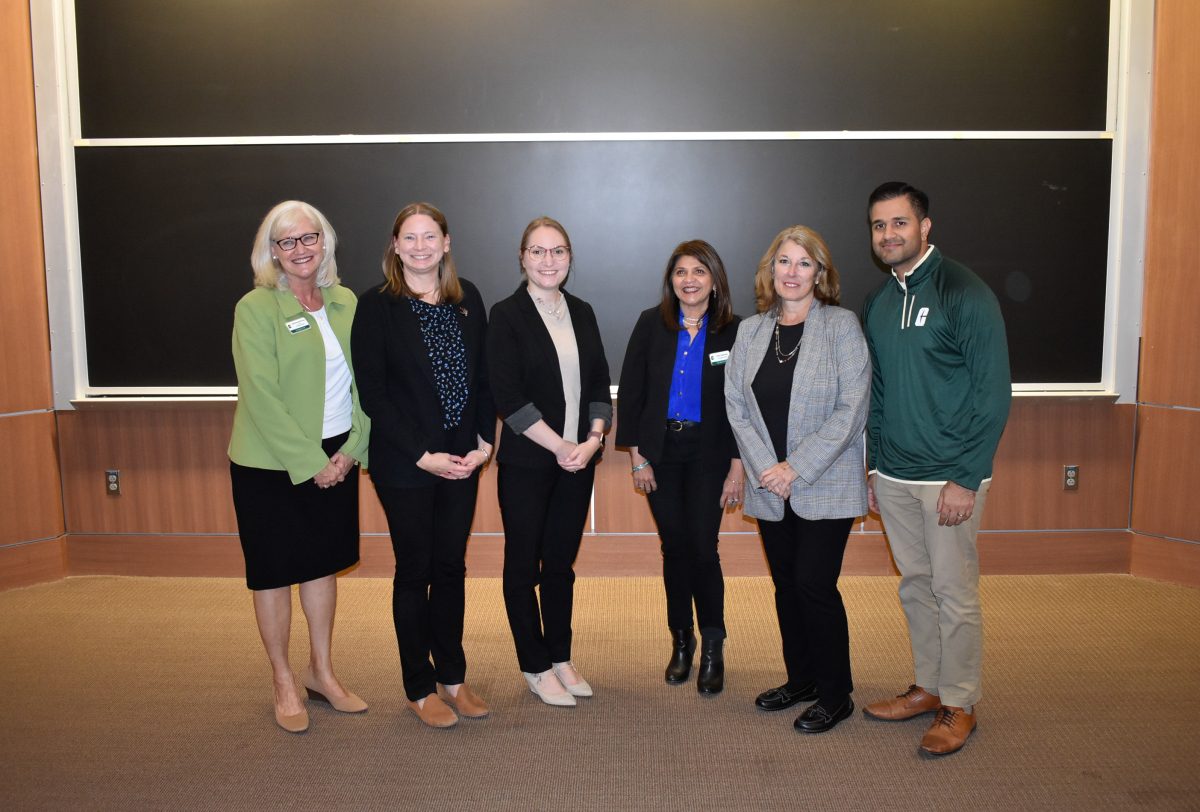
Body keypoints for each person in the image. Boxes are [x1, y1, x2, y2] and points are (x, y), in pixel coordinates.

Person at [861, 182, 1011, 756]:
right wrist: (875, 469)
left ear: (925, 227)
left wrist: (966, 477)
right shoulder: (879, 301)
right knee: (916, 588)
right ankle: (927, 687)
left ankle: (961, 701)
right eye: (879, 226)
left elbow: (993, 393)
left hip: (949, 477)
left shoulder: (964, 293)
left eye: (899, 223)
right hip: (895, 475)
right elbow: (879, 392)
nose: (888, 235)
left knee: (954, 592)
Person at [228, 200, 370, 734]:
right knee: (274, 571)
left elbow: (367, 381)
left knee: (322, 564)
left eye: (309, 238)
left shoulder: (346, 301)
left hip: (337, 452)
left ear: (325, 242)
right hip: (272, 462)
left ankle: (322, 672)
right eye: (287, 242)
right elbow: (260, 397)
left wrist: (353, 449)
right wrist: (312, 463)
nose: (301, 249)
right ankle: (283, 678)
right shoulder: (255, 308)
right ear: (272, 251)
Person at [350, 203, 494, 729]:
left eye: (429, 236)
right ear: (394, 246)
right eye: (408, 238)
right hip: (407, 464)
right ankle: (418, 685)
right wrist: (421, 455)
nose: (419, 246)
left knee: (451, 567)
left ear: (446, 242)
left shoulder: (468, 298)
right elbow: (375, 396)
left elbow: (483, 379)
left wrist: (485, 443)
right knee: (414, 572)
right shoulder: (377, 307)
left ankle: (452, 676)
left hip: (463, 458)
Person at [725, 225, 870, 734]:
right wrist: (770, 469)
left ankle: (836, 693)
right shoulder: (752, 331)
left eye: (803, 263)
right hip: (771, 485)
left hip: (823, 481)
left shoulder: (842, 326)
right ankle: (802, 679)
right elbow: (736, 405)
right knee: (786, 585)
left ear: (820, 273)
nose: (791, 272)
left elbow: (852, 409)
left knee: (814, 584)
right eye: (783, 262)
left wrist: (795, 468)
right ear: (770, 271)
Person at [487, 216, 612, 707]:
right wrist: (561, 446)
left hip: (579, 460)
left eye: (557, 251)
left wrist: (594, 439)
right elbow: (509, 397)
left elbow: (600, 381)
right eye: (537, 252)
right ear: (522, 258)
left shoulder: (581, 311)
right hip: (529, 463)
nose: (548, 261)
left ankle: (560, 655)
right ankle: (535, 664)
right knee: (524, 565)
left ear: (569, 257)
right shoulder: (507, 314)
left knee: (560, 564)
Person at [617, 240, 743, 695]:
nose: (689, 280)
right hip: (661, 452)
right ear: (671, 280)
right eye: (680, 272)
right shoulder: (652, 324)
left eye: (699, 272)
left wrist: (737, 467)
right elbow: (630, 393)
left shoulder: (736, 331)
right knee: (674, 547)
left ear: (714, 280)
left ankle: (712, 645)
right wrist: (637, 456)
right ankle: (681, 642)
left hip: (711, 453)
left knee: (703, 549)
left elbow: (743, 406)